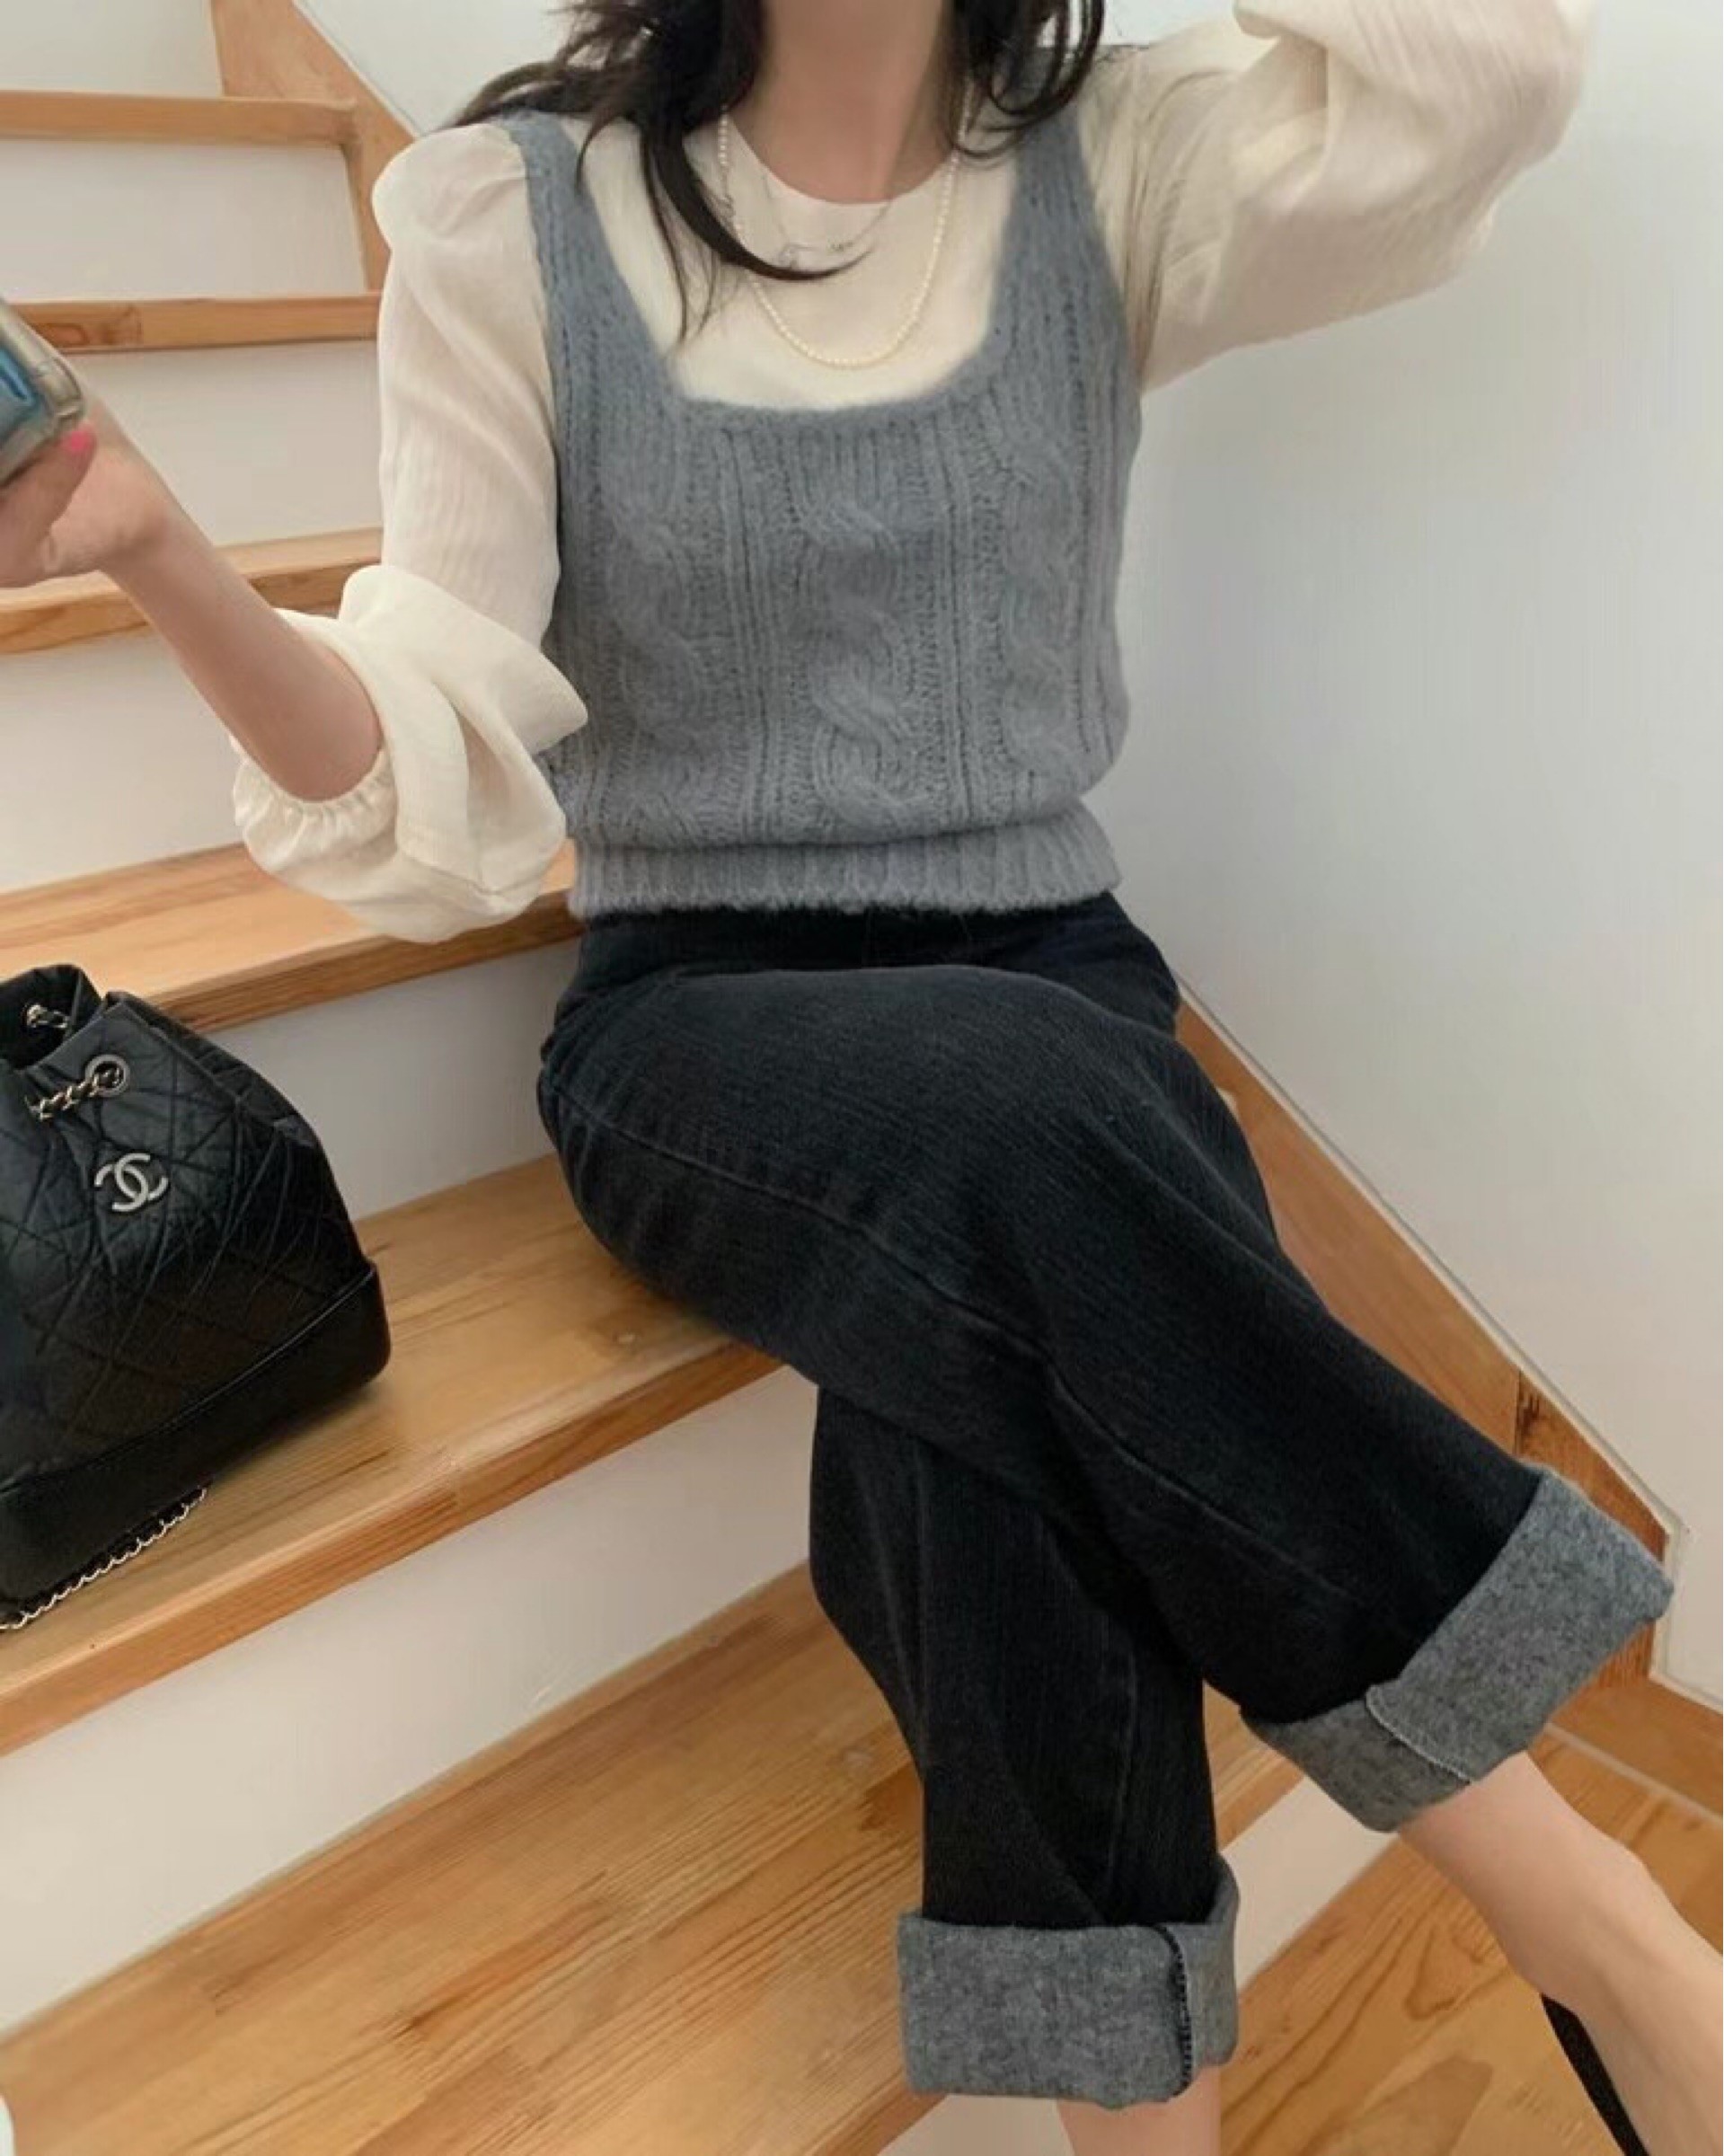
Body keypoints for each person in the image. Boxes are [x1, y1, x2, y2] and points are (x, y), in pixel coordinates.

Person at [2, 2, 1718, 2148]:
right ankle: (1615, 1944)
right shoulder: (508, 217)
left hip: (1048, 989)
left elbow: (1490, 69)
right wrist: (163, 554)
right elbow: (430, 767)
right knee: (1058, 1135)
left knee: (980, 1387)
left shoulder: (1118, 169)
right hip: (705, 1022)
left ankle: (1150, 2127)